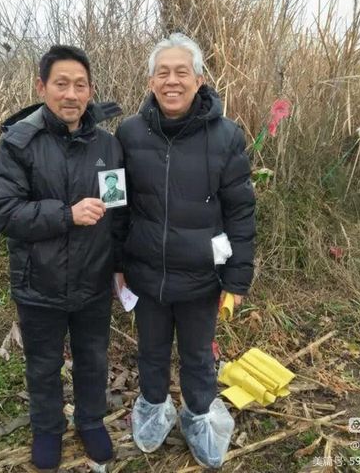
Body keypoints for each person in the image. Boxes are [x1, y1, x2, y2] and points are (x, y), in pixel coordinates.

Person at [115, 33, 256, 468]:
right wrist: (117, 265)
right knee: (151, 352)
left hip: (200, 278)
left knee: (197, 356)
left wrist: (237, 278)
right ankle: (154, 408)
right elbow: (119, 207)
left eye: (181, 72)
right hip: (147, 277)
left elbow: (241, 212)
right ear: (150, 80)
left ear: (199, 79)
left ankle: (198, 416)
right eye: (163, 73)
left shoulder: (226, 136)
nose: (171, 81)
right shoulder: (129, 133)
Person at [0, 45, 126, 471]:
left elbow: (116, 211)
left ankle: (90, 421)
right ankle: (47, 428)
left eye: (80, 85)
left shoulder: (107, 144)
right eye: (61, 84)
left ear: (90, 90)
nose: (71, 94)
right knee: (44, 364)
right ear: (42, 87)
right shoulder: (19, 144)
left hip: (93, 280)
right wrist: (67, 215)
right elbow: (4, 213)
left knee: (93, 358)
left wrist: (119, 265)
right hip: (39, 281)